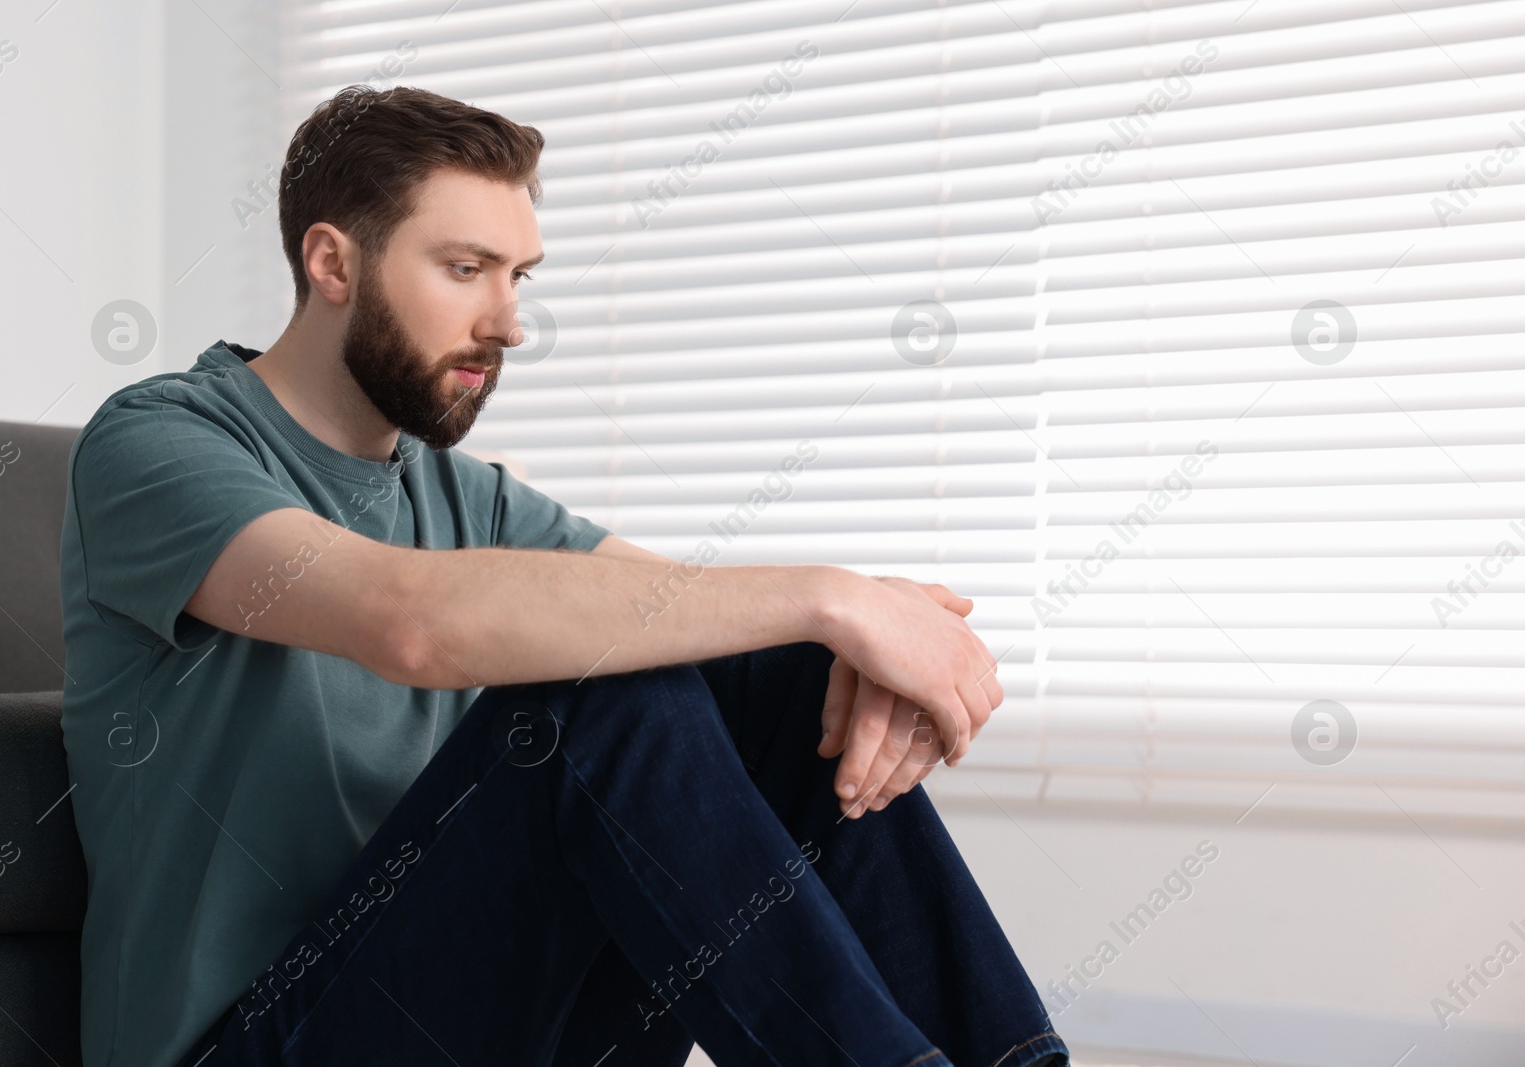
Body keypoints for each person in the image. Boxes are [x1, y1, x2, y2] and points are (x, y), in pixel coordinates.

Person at [59, 84, 1069, 1067]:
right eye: (465, 268)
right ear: (333, 261)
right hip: (257, 1041)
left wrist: (855, 621)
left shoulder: (467, 495)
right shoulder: (158, 444)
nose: (507, 323)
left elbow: (702, 621)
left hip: (478, 1013)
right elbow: (405, 620)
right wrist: (837, 598)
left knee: (777, 675)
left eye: (518, 277)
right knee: (603, 699)